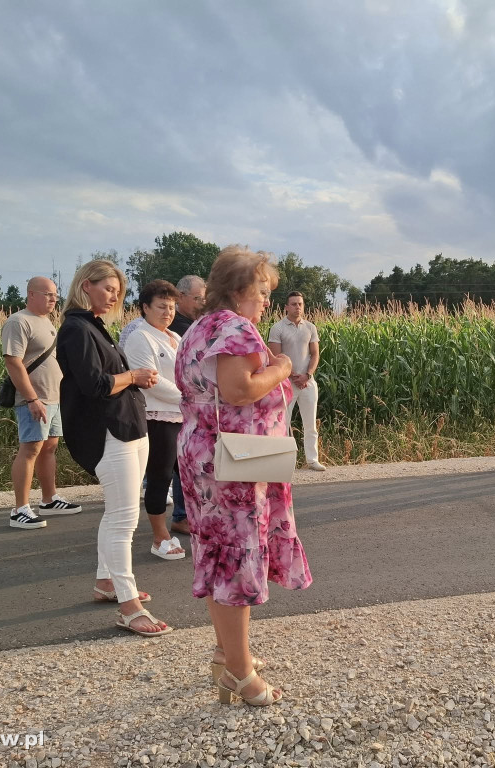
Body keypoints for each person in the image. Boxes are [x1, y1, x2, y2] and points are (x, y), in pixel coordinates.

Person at [176, 245, 312, 706]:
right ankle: (238, 672)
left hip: (208, 451)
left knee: (219, 554)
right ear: (237, 291)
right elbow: (238, 389)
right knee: (236, 557)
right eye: (261, 291)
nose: (267, 301)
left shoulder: (199, 326)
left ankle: (226, 652)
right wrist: (281, 367)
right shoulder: (234, 327)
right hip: (232, 461)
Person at [56, 259, 173, 638]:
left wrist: (134, 381)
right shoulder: (76, 328)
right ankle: (129, 607)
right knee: (125, 519)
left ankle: (106, 582)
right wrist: (134, 376)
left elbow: (108, 381)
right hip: (109, 432)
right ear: (86, 285)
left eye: (118, 292)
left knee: (117, 513)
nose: (114, 296)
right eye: (108, 288)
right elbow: (95, 384)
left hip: (127, 426)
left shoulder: (93, 325)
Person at [0, 276, 81, 529]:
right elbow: (13, 362)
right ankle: (20, 509)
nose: (53, 299)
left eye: (55, 295)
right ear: (31, 294)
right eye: (47, 294)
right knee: (30, 449)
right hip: (34, 398)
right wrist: (32, 398)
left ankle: (49, 499)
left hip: (53, 397)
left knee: (49, 447)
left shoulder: (46, 322)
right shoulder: (19, 321)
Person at [123, 279, 188, 561]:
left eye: (172, 307)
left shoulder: (175, 337)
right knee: (160, 477)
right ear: (145, 307)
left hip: (184, 416)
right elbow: (150, 380)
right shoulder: (141, 336)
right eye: (161, 306)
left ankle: (186, 520)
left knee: (187, 475)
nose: (167, 312)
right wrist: (187, 399)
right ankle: (159, 536)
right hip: (157, 417)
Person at [167, 274, 207, 534]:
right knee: (181, 465)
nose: (201, 303)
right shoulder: (179, 327)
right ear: (180, 297)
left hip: (195, 402)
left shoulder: (197, 322)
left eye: (204, 298)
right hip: (181, 402)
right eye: (197, 299)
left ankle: (191, 512)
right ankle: (181, 515)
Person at [268, 291, 325, 471]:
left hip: (308, 381)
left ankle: (312, 460)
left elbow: (315, 354)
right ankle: (285, 462)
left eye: (300, 304)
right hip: (286, 382)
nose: (297, 307)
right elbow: (276, 356)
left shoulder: (310, 327)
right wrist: (293, 375)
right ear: (286, 307)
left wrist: (307, 375)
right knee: (284, 423)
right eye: (293, 304)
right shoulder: (277, 328)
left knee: (310, 423)